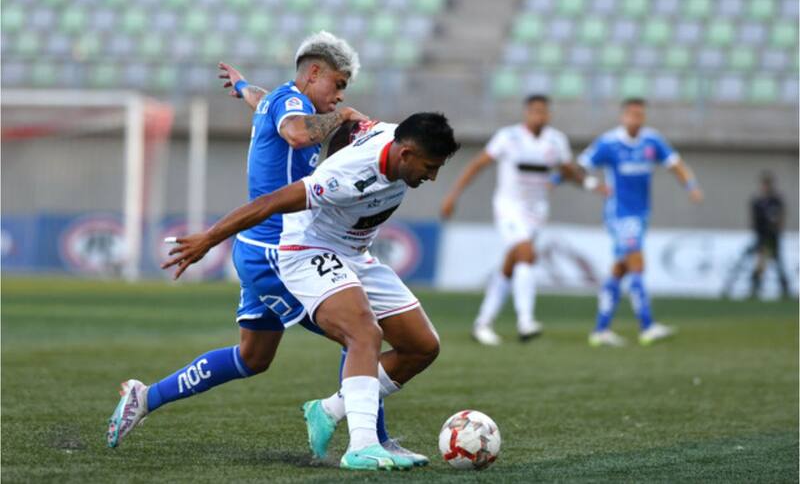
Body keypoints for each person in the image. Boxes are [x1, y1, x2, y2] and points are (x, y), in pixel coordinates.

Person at [107, 32, 419, 462]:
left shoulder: (279, 99)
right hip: (280, 251)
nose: (340, 95)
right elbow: (294, 134)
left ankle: (146, 397)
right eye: (338, 83)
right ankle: (372, 441)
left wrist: (240, 87)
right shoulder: (295, 107)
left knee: (253, 358)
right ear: (313, 73)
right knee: (359, 333)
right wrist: (343, 115)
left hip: (261, 248)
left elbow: (260, 98)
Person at [162, 113, 460, 470]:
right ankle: (362, 446)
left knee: (422, 346)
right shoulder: (344, 178)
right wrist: (209, 239)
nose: (432, 176)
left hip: (354, 252)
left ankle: (329, 409)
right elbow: (270, 203)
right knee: (364, 332)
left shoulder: (387, 133)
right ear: (406, 153)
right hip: (308, 250)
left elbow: (354, 124)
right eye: (429, 167)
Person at [440, 95, 605, 345]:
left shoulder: (556, 141)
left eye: (544, 112)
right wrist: (453, 196)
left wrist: (591, 184)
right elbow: (477, 164)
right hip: (509, 208)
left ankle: (483, 323)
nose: (539, 116)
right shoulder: (508, 138)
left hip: (536, 212)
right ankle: (525, 321)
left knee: (511, 263)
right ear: (526, 113)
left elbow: (567, 169)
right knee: (527, 254)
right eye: (535, 111)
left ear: (549, 115)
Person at [577, 98, 704, 347]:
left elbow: (675, 164)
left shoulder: (652, 140)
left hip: (641, 214)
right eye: (632, 114)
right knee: (636, 262)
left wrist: (691, 185)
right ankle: (647, 326)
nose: (637, 119)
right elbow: (578, 167)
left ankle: (601, 329)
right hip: (618, 213)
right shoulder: (609, 143)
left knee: (620, 269)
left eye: (641, 115)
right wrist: (593, 185)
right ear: (623, 116)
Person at [748, 171, 790, 298]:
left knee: (778, 263)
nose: (764, 187)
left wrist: (778, 229)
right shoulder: (757, 202)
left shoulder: (776, 201)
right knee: (760, 263)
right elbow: (754, 220)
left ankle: (785, 289)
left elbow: (781, 217)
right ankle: (755, 288)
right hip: (762, 236)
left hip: (773, 236)